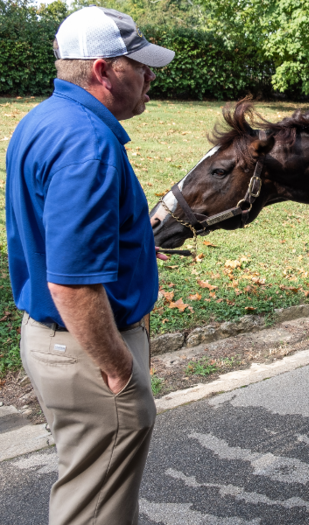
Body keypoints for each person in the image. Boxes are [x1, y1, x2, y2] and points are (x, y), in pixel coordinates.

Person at [5, 6, 174, 524]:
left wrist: (133, 244)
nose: (151, 75)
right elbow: (73, 287)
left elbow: (55, 233)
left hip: (52, 340)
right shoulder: (88, 144)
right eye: (139, 64)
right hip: (88, 351)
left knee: (88, 486)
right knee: (94, 509)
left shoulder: (45, 119)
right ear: (102, 71)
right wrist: (121, 371)